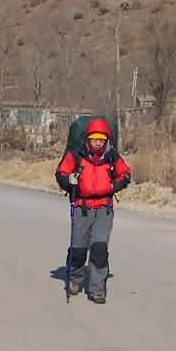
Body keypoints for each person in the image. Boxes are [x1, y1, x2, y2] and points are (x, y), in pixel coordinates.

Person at [55, 117, 131, 304]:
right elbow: (61, 173)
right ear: (88, 139)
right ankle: (75, 277)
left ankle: (97, 289)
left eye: (102, 139)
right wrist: (68, 181)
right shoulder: (76, 155)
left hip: (104, 209)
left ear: (106, 140)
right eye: (94, 139)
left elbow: (125, 174)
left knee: (99, 249)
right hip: (82, 208)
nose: (98, 143)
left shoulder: (112, 156)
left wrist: (114, 186)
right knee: (79, 249)